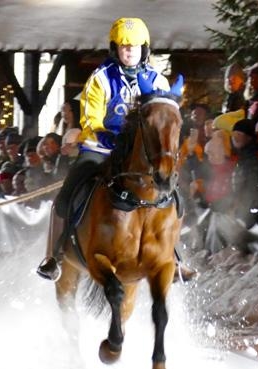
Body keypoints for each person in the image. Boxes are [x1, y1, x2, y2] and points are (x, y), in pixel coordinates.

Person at [36, 17, 195, 282]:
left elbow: (166, 120)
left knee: (176, 197)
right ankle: (54, 256)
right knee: (66, 194)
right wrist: (104, 135)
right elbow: (90, 117)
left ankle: (175, 256)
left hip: (143, 153)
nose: (129, 50)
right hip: (102, 148)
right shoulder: (101, 78)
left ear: (144, 48)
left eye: (134, 46)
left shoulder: (158, 80)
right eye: (123, 46)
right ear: (115, 48)